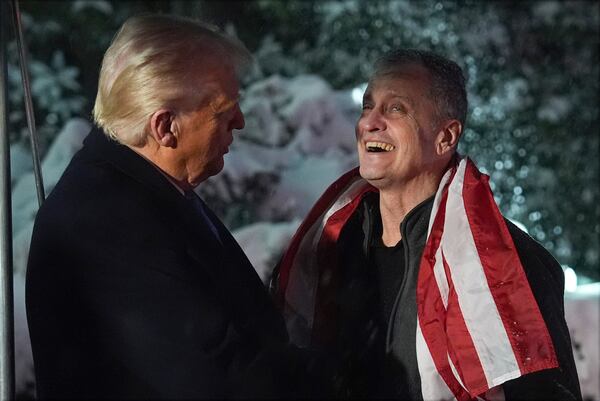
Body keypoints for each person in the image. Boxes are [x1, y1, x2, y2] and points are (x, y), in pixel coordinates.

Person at [26, 15, 310, 399]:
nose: (239, 122)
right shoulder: (104, 218)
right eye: (223, 111)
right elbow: (216, 375)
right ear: (165, 127)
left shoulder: (138, 190)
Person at [275, 49, 582, 400]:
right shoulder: (329, 246)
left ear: (446, 137)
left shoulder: (508, 268)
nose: (369, 122)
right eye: (367, 106)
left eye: (396, 109)